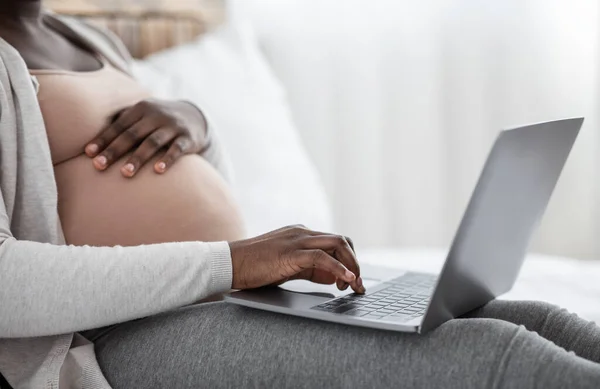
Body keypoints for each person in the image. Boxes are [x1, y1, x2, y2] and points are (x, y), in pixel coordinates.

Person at [0, 1, 599, 388]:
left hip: (227, 295)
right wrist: (232, 261)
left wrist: (196, 125)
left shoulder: (83, 36)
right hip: (120, 334)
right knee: (493, 357)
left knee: (541, 321)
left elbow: (190, 194)